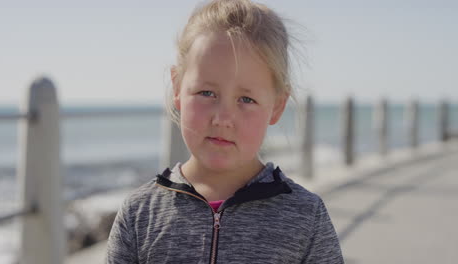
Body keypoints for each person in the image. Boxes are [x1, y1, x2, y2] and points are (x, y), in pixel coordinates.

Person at [106, 0, 344, 263]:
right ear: (177, 88)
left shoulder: (305, 217)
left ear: (277, 106)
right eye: (206, 93)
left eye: (246, 99)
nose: (222, 119)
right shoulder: (140, 213)